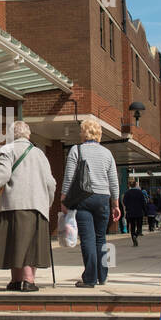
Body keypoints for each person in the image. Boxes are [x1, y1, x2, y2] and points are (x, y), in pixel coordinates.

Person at [0, 121, 57, 292]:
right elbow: (50, 183)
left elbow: (2, 175)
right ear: (28, 135)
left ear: (11, 135)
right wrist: (48, 202)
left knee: (13, 242)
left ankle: (16, 280)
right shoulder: (40, 154)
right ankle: (28, 280)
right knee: (31, 243)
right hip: (36, 205)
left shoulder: (7, 150)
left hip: (12, 204)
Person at [60, 118, 120, 288]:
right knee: (101, 238)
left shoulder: (76, 150)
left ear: (84, 133)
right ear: (98, 134)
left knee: (88, 238)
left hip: (83, 198)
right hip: (103, 199)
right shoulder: (107, 153)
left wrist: (63, 199)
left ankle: (90, 277)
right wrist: (115, 204)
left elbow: (69, 177)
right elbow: (113, 181)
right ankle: (103, 275)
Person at [122, 179, 148, 247]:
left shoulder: (127, 193)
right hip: (139, 212)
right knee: (139, 226)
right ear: (135, 184)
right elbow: (143, 202)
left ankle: (133, 239)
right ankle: (136, 235)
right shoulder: (140, 193)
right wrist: (145, 211)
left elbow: (124, 202)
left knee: (132, 226)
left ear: (129, 185)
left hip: (130, 212)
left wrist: (128, 207)